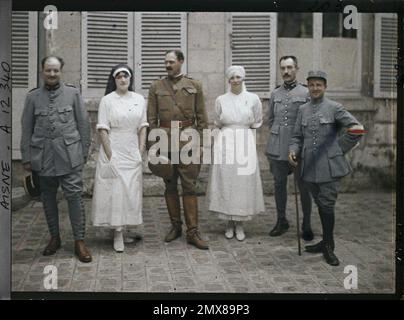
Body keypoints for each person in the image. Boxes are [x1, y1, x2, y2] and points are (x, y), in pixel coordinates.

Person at [289, 70, 365, 266]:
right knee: (320, 203)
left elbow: (357, 129)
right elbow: (297, 136)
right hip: (309, 166)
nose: (315, 88)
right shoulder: (303, 109)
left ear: (325, 87)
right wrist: (293, 150)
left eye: (319, 85)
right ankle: (324, 242)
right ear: (308, 86)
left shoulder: (334, 108)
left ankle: (329, 245)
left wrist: (338, 148)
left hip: (330, 167)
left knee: (327, 204)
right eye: (312, 85)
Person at [20, 56, 92, 263]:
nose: (52, 74)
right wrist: (27, 158)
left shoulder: (72, 93)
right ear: (42, 71)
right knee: (48, 199)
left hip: (70, 157)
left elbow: (83, 125)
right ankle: (54, 237)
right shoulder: (33, 97)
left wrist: (83, 152)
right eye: (48, 70)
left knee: (75, 198)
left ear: (61, 71)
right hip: (42, 158)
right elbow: (26, 129)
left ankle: (79, 241)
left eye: (56, 71)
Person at [147, 49, 209, 250]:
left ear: (181, 62)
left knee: (190, 186)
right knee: (169, 185)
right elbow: (151, 119)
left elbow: (202, 118)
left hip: (188, 141)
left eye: (171, 62)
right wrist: (154, 147)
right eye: (166, 62)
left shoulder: (194, 85)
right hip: (164, 141)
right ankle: (175, 227)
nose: (168, 65)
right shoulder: (156, 86)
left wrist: (202, 145)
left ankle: (193, 232)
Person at [91, 64, 148, 253]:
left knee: (130, 191)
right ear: (114, 80)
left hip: (131, 148)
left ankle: (125, 227)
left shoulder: (139, 99)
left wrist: (140, 152)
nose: (123, 79)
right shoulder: (107, 100)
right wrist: (110, 155)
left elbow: (142, 127)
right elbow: (102, 129)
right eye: (119, 77)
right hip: (113, 148)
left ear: (131, 79)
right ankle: (117, 233)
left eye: (126, 76)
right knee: (115, 191)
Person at [207, 66, 265, 241]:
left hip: (245, 140)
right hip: (225, 141)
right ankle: (228, 223)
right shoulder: (221, 99)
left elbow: (257, 120)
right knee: (226, 179)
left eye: (238, 77)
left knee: (242, 181)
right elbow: (217, 120)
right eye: (232, 77)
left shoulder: (253, 99)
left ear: (243, 78)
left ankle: (240, 224)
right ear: (228, 80)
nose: (235, 80)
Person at [266, 55, 313, 240]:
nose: (286, 72)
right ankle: (281, 220)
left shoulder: (306, 93)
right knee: (279, 185)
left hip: (299, 148)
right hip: (277, 147)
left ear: (296, 69)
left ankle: (307, 223)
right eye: (283, 68)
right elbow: (271, 120)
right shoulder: (275, 93)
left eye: (289, 68)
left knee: (303, 186)